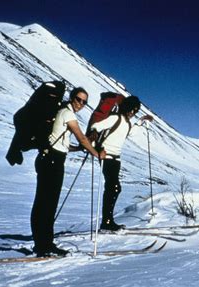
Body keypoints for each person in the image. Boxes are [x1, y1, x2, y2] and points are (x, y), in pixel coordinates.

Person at [31, 87, 102, 257]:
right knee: (46, 204)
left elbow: (63, 143)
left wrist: (78, 148)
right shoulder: (67, 113)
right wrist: (97, 153)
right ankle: (43, 245)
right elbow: (82, 138)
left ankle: (44, 244)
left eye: (84, 102)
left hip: (50, 159)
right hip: (52, 161)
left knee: (46, 203)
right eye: (78, 99)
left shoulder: (61, 112)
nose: (81, 104)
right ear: (72, 98)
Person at [90, 95, 153, 231]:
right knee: (114, 188)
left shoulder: (126, 122)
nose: (132, 113)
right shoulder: (115, 118)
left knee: (114, 188)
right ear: (126, 107)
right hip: (107, 157)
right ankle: (107, 222)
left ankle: (108, 221)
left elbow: (130, 133)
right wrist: (98, 147)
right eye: (131, 109)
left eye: (135, 111)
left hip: (116, 159)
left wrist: (140, 121)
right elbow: (96, 126)